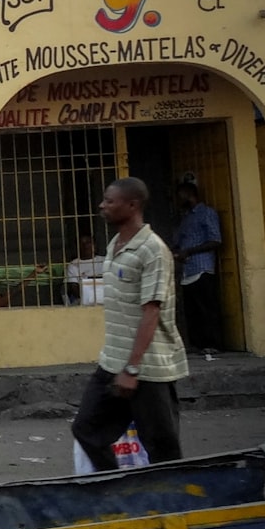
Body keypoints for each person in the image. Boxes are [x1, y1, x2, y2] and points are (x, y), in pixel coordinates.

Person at [72, 178, 188, 473]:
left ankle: (173, 503)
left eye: (110, 201)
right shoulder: (116, 244)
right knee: (86, 429)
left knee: (162, 447)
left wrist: (132, 368)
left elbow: (151, 311)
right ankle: (116, 491)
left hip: (146, 368)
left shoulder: (152, 249)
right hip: (113, 361)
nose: (102, 206)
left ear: (132, 205)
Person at [171, 180, 225, 361]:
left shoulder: (206, 213)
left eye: (180, 195)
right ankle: (199, 344)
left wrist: (190, 251)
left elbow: (215, 240)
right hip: (187, 269)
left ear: (189, 194)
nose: (178, 200)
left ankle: (213, 344)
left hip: (202, 267)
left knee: (206, 308)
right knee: (192, 310)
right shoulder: (185, 218)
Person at [66, 233, 108, 306]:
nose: (86, 246)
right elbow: (74, 289)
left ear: (95, 245)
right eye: (81, 243)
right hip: (84, 301)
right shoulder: (73, 265)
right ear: (77, 247)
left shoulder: (105, 261)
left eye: (89, 242)